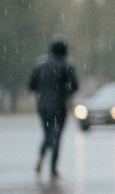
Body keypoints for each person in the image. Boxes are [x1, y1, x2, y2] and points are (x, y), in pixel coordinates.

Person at [29, 37, 79, 177]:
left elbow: (31, 85)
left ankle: (41, 156)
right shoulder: (66, 65)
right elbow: (75, 85)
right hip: (59, 106)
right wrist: (66, 92)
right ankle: (53, 168)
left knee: (47, 134)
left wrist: (43, 91)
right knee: (56, 136)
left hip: (42, 106)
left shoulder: (40, 64)